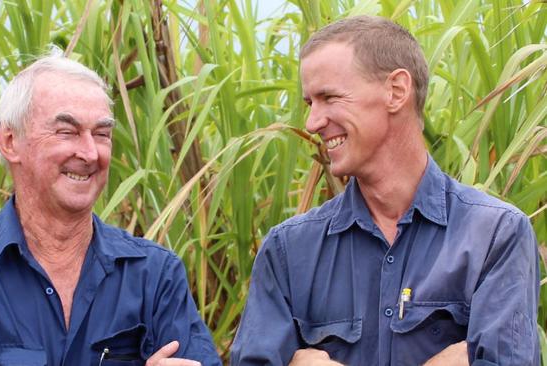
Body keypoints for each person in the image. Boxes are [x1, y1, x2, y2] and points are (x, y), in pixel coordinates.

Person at [231, 15, 540, 366]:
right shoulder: (287, 252)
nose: (313, 123)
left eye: (329, 97)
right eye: (310, 103)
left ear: (396, 91)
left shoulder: (494, 237)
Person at [0, 54, 222, 366]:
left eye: (101, 134)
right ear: (10, 142)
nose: (89, 153)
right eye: (67, 132)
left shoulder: (156, 276)